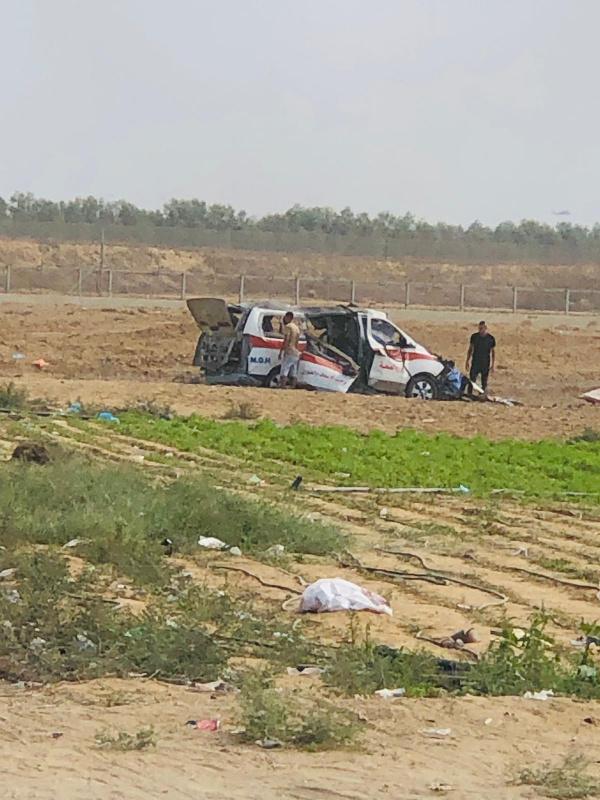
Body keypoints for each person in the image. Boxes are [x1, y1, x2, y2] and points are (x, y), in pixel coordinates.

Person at [466, 320, 496, 393]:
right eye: (479, 328)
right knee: (472, 379)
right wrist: (467, 361)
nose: (480, 330)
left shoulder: (490, 339)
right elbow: (470, 349)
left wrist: (493, 365)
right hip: (475, 362)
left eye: (482, 328)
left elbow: (493, 352)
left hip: (485, 363)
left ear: (485, 328)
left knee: (484, 381)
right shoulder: (474, 337)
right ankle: (469, 394)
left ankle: (482, 394)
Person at [279, 311, 301, 388]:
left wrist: (282, 351)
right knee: (293, 370)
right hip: (296, 352)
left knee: (284, 369)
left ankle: (282, 385)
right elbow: (297, 342)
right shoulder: (296, 328)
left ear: (288, 317)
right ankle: (292, 386)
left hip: (289, 350)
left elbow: (286, 340)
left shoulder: (288, 327)